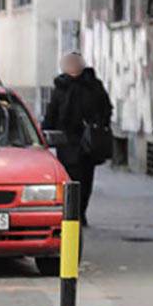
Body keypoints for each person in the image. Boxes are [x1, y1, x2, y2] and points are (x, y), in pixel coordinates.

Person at [42, 51, 112, 226]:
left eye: (75, 63)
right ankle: (71, 213)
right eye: (69, 63)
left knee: (86, 179)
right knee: (70, 179)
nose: (73, 67)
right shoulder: (60, 87)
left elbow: (106, 108)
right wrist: (44, 135)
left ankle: (81, 212)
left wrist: (98, 124)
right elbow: (52, 113)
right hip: (66, 141)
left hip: (89, 141)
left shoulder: (93, 85)